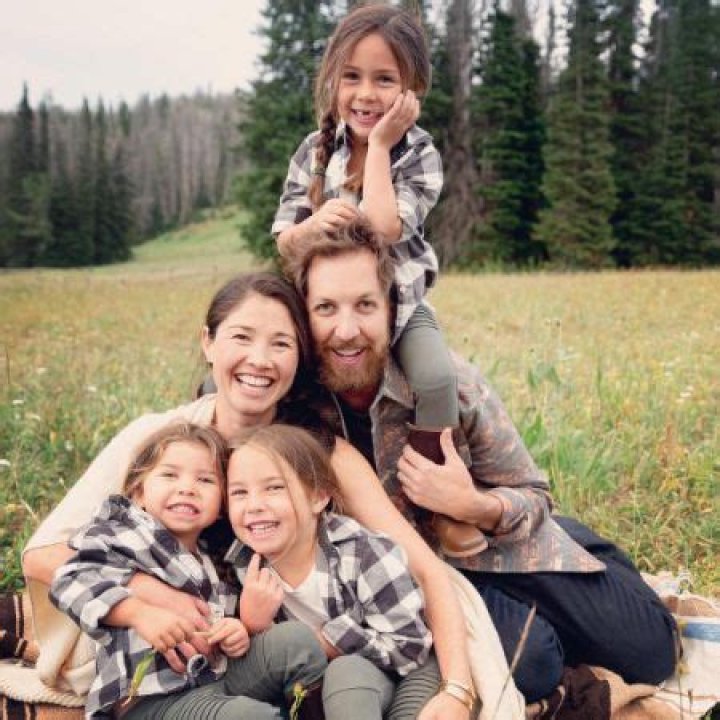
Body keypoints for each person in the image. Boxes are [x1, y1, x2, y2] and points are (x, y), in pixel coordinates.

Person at [21, 272, 474, 720]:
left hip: (289, 651)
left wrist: (457, 688)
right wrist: (151, 593)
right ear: (208, 343)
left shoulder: (320, 455)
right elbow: (41, 555)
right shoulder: (161, 443)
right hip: (172, 657)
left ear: (299, 358)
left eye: (280, 344)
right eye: (241, 337)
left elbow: (423, 569)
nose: (259, 360)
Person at [284, 217, 679, 704]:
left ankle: (586, 554)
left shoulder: (449, 384)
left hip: (494, 547)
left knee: (652, 651)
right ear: (304, 315)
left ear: (390, 308)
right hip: (414, 583)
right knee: (532, 666)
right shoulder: (297, 406)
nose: (347, 331)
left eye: (365, 305)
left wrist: (473, 504)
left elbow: (533, 493)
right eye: (326, 308)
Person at [271, 5, 485, 558]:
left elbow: (385, 227)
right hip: (322, 308)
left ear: (412, 90)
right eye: (352, 76)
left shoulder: (419, 153)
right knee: (266, 371)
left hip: (397, 305)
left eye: (384, 80)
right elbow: (284, 238)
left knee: (435, 378)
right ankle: (260, 480)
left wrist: (382, 148)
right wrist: (313, 225)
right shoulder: (315, 150)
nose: (366, 94)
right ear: (332, 80)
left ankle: (435, 504)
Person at [49, 422, 326, 720]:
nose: (187, 488)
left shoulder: (214, 558)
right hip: (149, 701)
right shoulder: (124, 535)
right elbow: (69, 580)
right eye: (170, 475)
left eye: (205, 480)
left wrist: (236, 631)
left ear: (221, 504)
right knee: (249, 716)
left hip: (215, 682)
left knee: (296, 641)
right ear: (139, 492)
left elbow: (222, 625)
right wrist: (139, 613)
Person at [226, 424, 434, 720]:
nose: (254, 505)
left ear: (319, 496)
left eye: (274, 488)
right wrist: (250, 626)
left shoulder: (364, 554)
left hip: (381, 681)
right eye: (239, 492)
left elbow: (410, 648)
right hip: (307, 691)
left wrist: (325, 642)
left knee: (346, 672)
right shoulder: (241, 565)